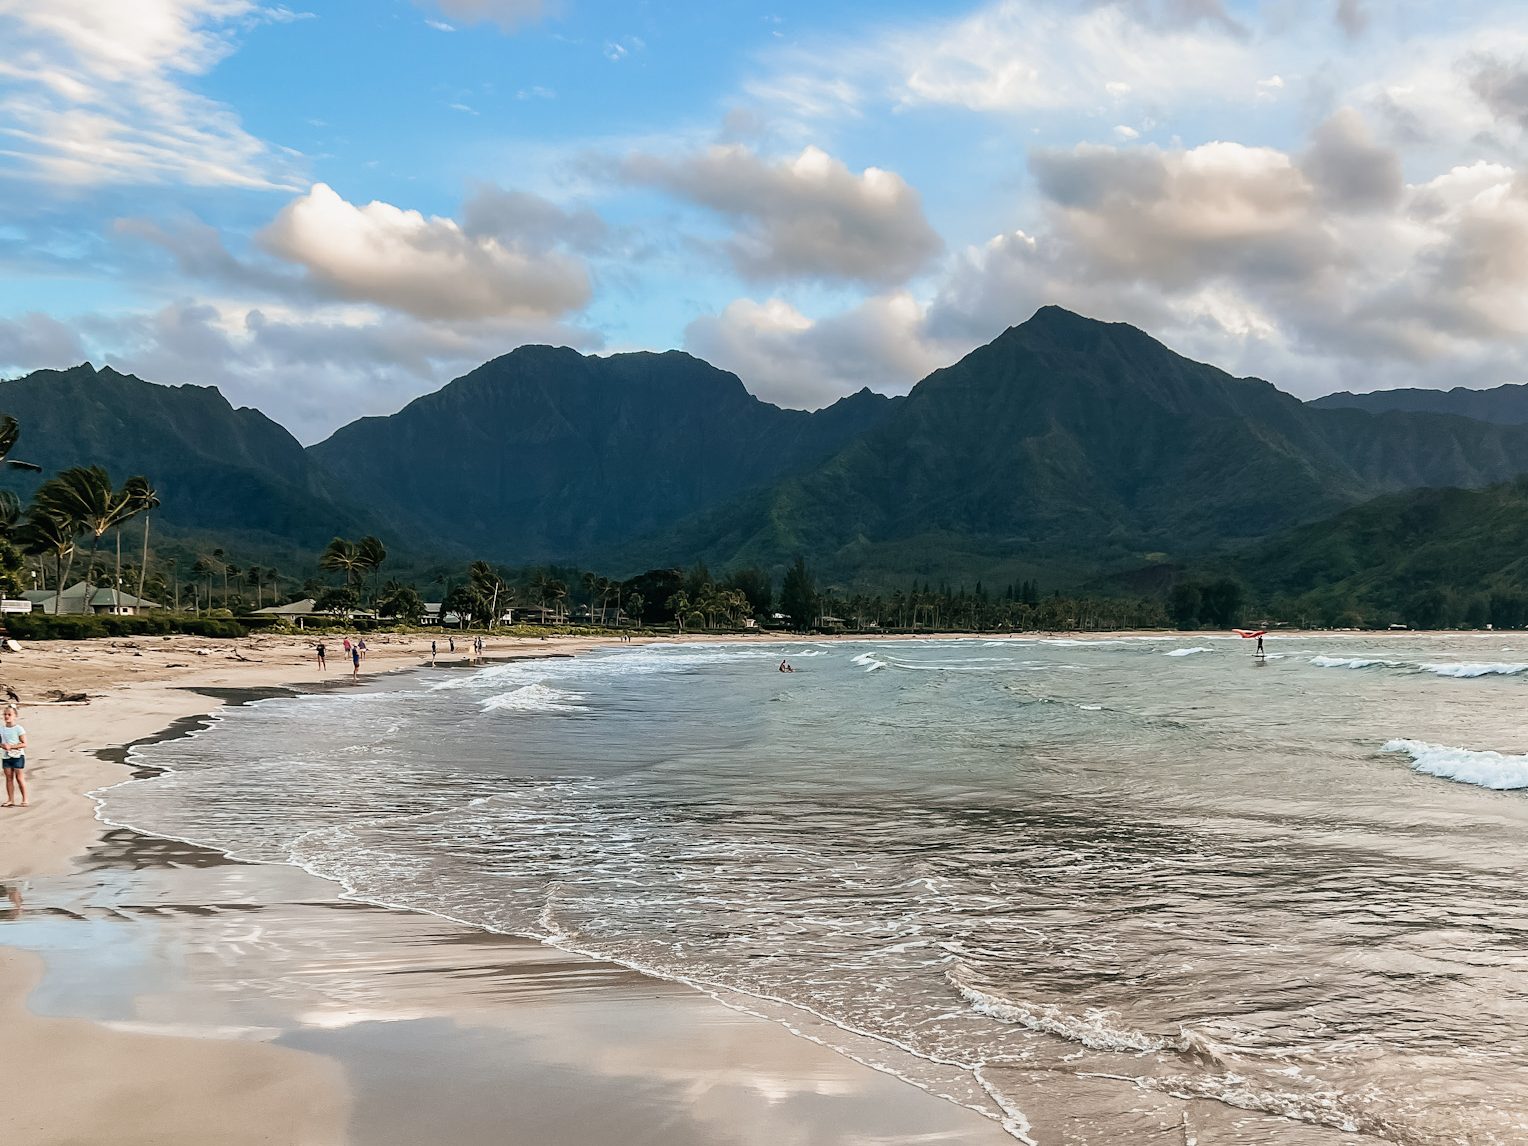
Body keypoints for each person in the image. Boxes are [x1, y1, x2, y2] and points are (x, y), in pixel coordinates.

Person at [1, 706, 27, 807]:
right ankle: (10, 799)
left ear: (15, 716)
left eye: (9, 714)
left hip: (18, 756)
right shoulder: (1, 729)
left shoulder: (18, 729)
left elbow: (24, 743)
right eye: (5, 714)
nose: (7, 716)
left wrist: (11, 746)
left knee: (19, 778)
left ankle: (25, 799)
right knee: (8, 778)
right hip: (6, 756)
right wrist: (3, 746)